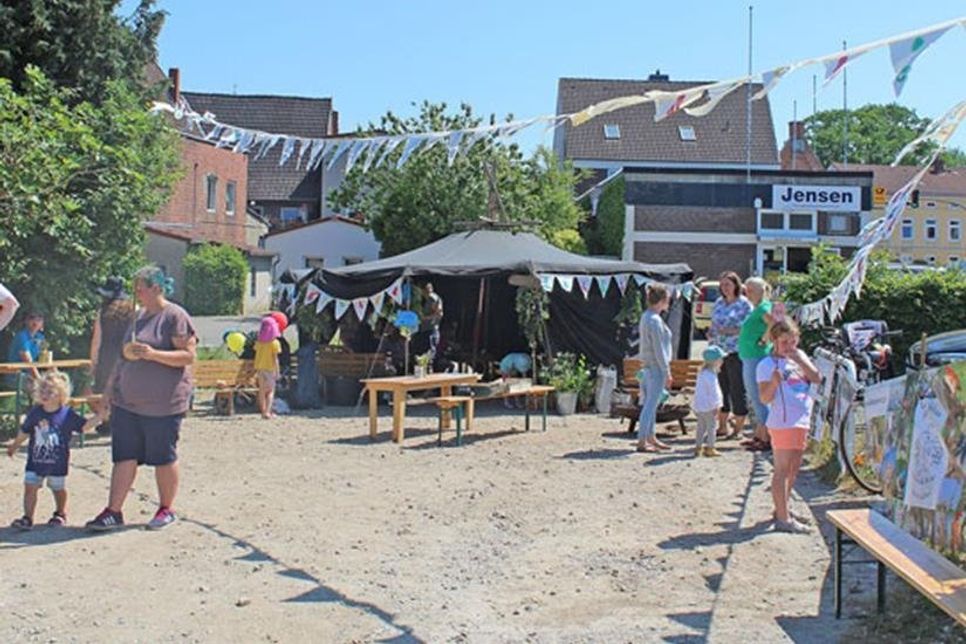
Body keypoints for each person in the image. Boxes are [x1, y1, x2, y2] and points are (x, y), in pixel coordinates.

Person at [85, 266, 196, 532]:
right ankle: (113, 511)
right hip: (127, 402)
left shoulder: (175, 316)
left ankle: (166, 508)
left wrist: (153, 354)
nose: (136, 293)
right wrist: (109, 392)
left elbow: (188, 356)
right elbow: (122, 357)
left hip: (163, 404)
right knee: (124, 455)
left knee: (163, 456)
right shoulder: (136, 318)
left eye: (141, 288)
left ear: (156, 288)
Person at [6, 371, 98, 530]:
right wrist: (15, 445)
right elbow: (25, 431)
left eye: (50, 391)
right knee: (30, 487)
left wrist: (100, 416)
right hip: (35, 461)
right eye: (42, 390)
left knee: (58, 488)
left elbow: (84, 427)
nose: (45, 394)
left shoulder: (67, 414)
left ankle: (60, 513)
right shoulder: (35, 413)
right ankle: (27, 518)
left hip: (57, 463)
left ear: (61, 395)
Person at [757, 319, 821, 533]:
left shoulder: (799, 357)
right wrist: (774, 383)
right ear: (774, 341)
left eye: (792, 341)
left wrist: (801, 360)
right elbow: (764, 398)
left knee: (793, 469)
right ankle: (784, 519)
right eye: (784, 342)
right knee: (782, 470)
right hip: (783, 421)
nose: (789, 347)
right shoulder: (766, 365)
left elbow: (816, 378)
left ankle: (782, 510)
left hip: (802, 419)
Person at [89, 277, 136, 435]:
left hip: (107, 355)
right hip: (128, 355)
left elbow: (97, 340)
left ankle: (107, 421)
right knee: (126, 390)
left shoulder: (103, 312)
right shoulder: (134, 310)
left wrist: (93, 361)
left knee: (105, 390)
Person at [708, 272, 752, 439]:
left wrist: (729, 331)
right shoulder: (719, 303)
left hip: (735, 351)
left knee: (737, 388)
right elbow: (713, 323)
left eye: (728, 284)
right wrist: (711, 332)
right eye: (722, 285)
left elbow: (747, 328)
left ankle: (738, 429)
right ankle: (722, 426)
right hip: (718, 352)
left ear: (736, 285)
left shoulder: (744, 304)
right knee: (721, 388)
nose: (725, 288)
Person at [636, 283, 673, 453]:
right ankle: (642, 440)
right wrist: (667, 372)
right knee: (650, 405)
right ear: (662, 300)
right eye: (667, 299)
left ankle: (650, 436)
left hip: (647, 367)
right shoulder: (655, 320)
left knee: (650, 403)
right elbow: (659, 350)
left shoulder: (647, 316)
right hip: (656, 368)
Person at [738, 277, 774, 452]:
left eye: (751, 290)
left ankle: (767, 438)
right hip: (750, 356)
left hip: (756, 357)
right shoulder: (758, 308)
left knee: (759, 398)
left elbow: (774, 323)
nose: (748, 293)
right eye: (747, 290)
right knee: (755, 398)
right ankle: (760, 435)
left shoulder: (764, 308)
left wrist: (764, 339)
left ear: (760, 291)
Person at [693, 345, 725, 457]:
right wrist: (717, 405)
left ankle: (698, 447)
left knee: (700, 427)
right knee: (711, 427)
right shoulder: (711, 376)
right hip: (709, 406)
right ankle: (710, 447)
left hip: (700, 405)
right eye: (720, 359)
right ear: (716, 361)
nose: (722, 362)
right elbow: (714, 392)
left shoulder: (702, 373)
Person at [254, 316, 282, 419]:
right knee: (270, 391)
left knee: (262, 391)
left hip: (260, 368)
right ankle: (267, 412)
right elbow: (275, 359)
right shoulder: (275, 343)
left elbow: (256, 352)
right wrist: (277, 371)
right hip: (270, 369)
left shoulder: (259, 342)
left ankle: (262, 411)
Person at [7, 311, 45, 380]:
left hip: (31, 374)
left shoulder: (40, 337)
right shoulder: (21, 336)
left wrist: (55, 373)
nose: (35, 321)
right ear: (26, 321)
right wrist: (40, 380)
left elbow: (45, 357)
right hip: (17, 375)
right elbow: (28, 362)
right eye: (32, 317)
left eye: (39, 319)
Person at [423, 283, 443, 361]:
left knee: (431, 351)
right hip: (429, 328)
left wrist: (425, 318)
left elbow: (439, 313)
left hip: (431, 327)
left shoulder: (432, 299)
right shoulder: (429, 298)